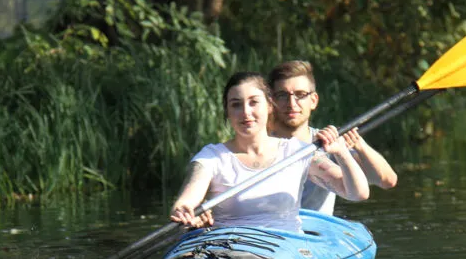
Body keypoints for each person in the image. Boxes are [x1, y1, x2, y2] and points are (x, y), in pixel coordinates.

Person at [170, 71, 369, 233]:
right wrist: (184, 212)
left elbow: (357, 193)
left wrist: (342, 153)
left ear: (269, 106)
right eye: (236, 105)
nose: (246, 112)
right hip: (229, 249)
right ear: (227, 113)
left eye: (253, 102)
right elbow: (187, 200)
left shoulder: (297, 152)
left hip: (287, 248)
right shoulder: (211, 157)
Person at [267, 60, 398, 215]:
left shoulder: (329, 144)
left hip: (316, 233)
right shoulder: (256, 145)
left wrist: (359, 145)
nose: (291, 103)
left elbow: (387, 181)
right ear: (272, 101)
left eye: (300, 95)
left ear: (313, 100)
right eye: (282, 95)